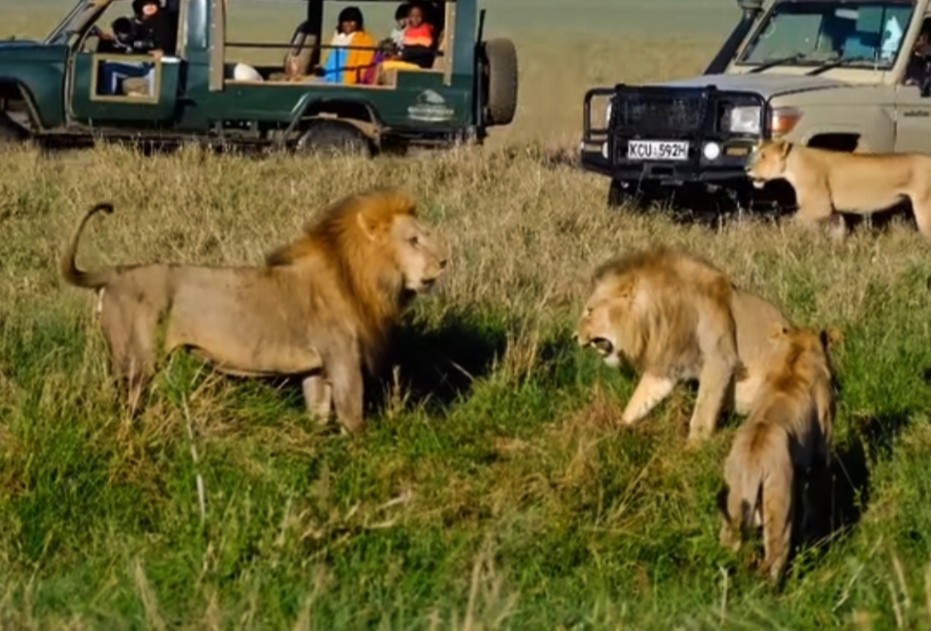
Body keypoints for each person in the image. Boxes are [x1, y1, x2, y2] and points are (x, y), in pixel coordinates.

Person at [315, 7, 377, 85]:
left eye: (352, 21)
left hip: (347, 81)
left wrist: (352, 80)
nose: (348, 24)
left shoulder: (365, 39)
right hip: (327, 77)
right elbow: (326, 59)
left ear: (358, 22)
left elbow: (363, 65)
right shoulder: (336, 37)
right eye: (345, 21)